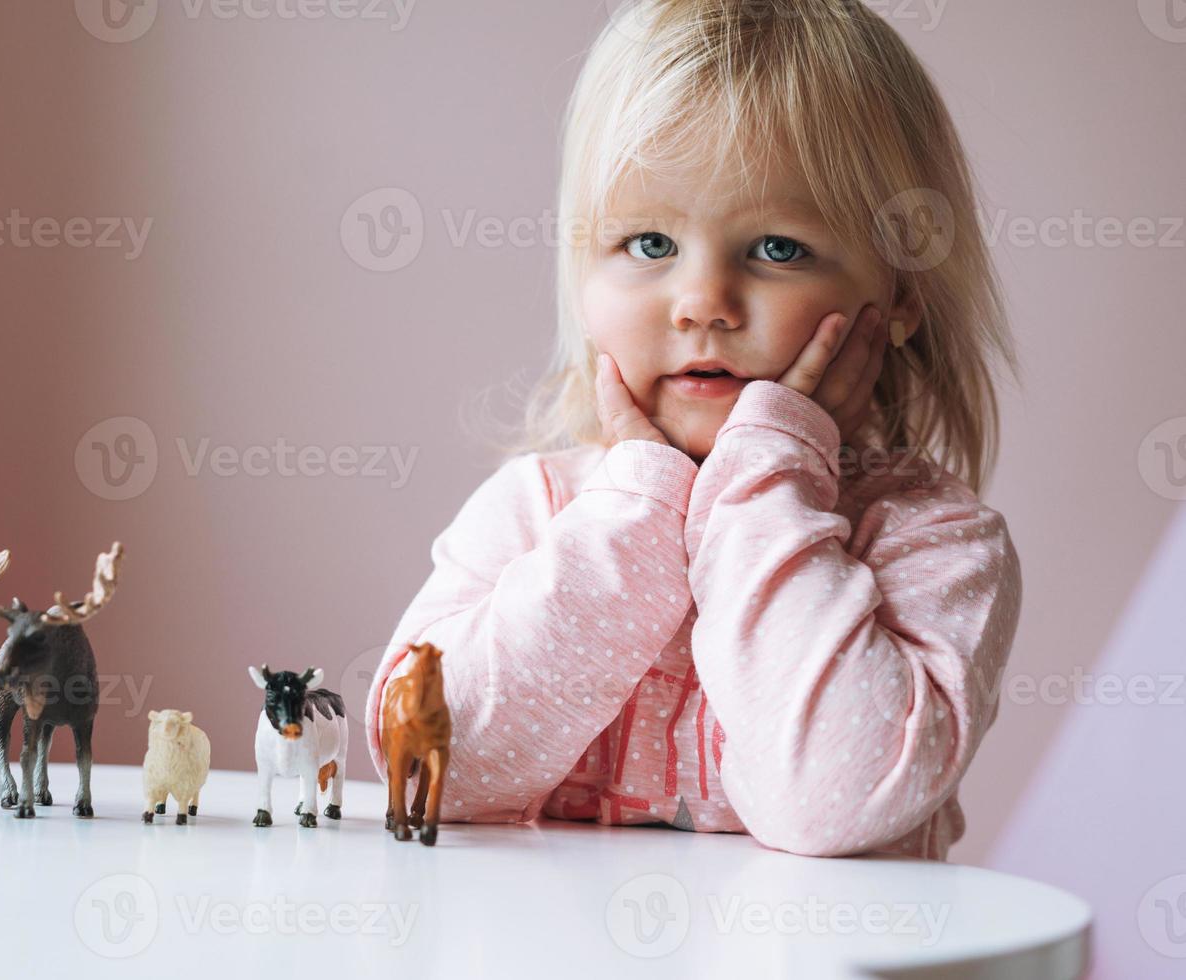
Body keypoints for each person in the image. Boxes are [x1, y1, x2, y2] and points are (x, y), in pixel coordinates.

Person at [364, 0, 1022, 860]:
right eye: (646, 243)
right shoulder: (539, 512)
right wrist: (634, 516)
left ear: (900, 293)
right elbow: (436, 768)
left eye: (778, 248)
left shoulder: (935, 545)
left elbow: (833, 804)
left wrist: (769, 475)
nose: (702, 303)